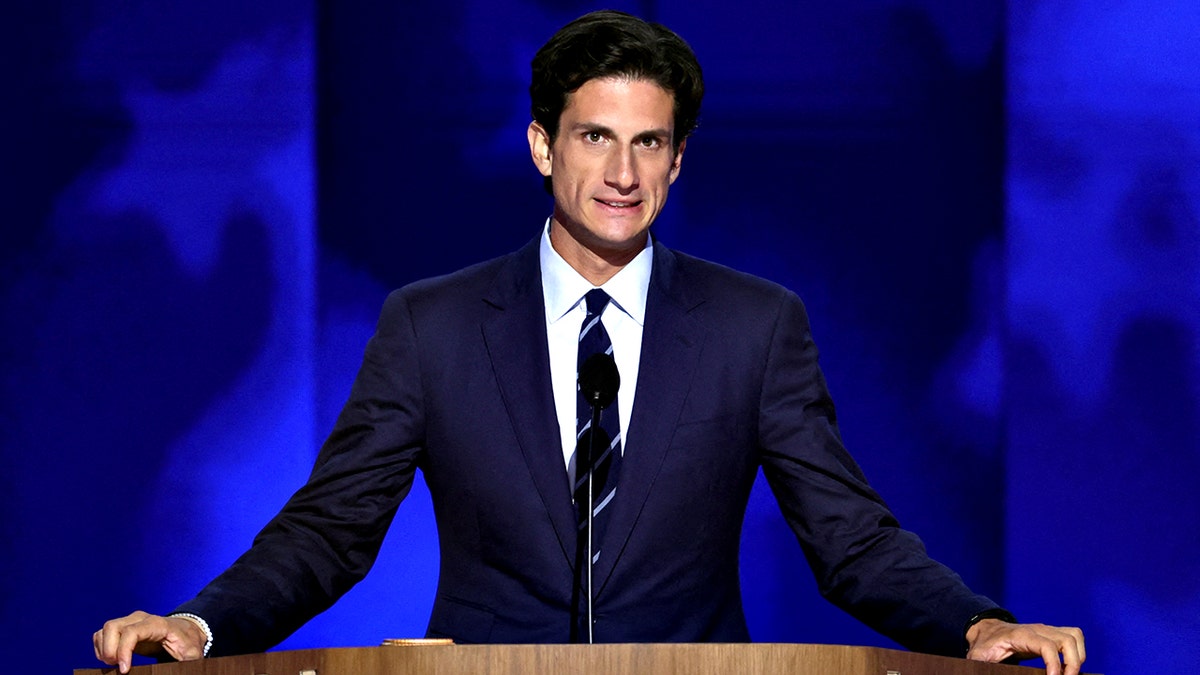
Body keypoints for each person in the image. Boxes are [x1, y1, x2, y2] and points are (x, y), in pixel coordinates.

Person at [94, 10, 1086, 675]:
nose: (622, 170)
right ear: (542, 146)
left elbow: (851, 540)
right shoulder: (430, 326)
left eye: (648, 141)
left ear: (678, 160)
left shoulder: (755, 325)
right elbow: (329, 533)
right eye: (595, 137)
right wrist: (200, 624)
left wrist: (977, 624)